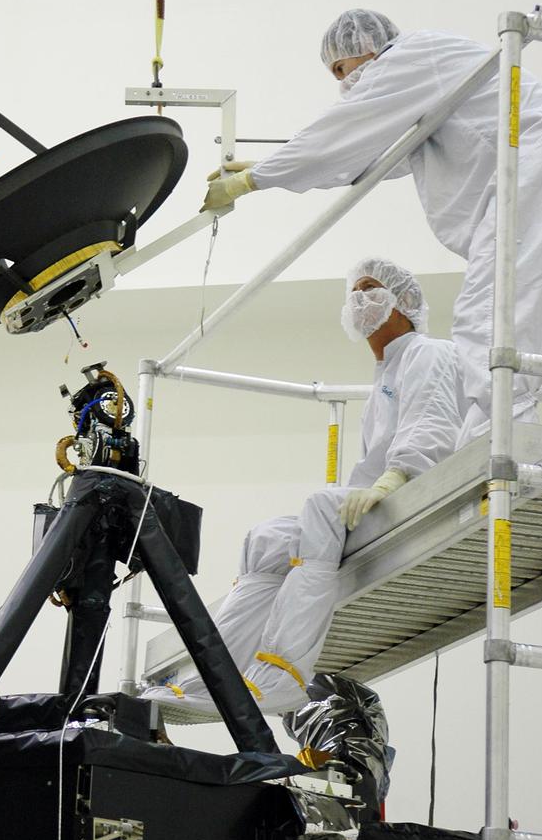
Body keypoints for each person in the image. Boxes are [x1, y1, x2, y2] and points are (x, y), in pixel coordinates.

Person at [203, 9, 542, 439]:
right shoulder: (426, 83)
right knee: (517, 325)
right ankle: (494, 443)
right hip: (530, 185)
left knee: (487, 320)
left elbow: (341, 133)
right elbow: (370, 160)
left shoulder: (411, 57)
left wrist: (255, 180)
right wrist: (269, 166)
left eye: (340, 68)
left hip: (533, 179)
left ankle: (503, 453)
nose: (341, 81)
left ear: (364, 48)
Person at [142, 258, 465, 722]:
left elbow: (432, 422)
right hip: (380, 492)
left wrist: (396, 476)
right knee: (265, 538)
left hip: (415, 487)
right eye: (353, 291)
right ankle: (217, 675)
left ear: (405, 302)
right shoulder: (385, 376)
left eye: (371, 289)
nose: (358, 300)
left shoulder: (427, 352)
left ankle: (280, 676)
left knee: (321, 506)